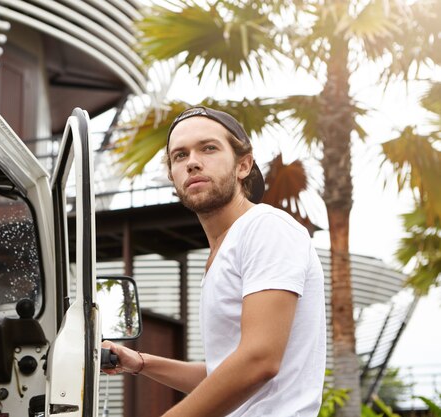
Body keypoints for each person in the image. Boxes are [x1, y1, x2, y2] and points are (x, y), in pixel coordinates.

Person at [102, 106, 326, 417]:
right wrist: (140, 362)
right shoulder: (221, 253)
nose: (192, 162)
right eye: (180, 156)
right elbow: (223, 374)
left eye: (208, 148)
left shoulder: (266, 227)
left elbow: (259, 360)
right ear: (173, 176)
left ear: (243, 165)